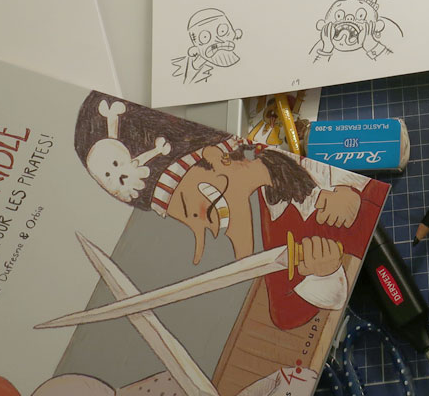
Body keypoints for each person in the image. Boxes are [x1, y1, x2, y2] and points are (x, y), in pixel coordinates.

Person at [72, 93, 389, 331]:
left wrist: (351, 190)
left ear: (214, 157)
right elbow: (285, 315)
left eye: (194, 210)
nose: (202, 233)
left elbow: (370, 164)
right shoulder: (273, 236)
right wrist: (321, 272)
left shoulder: (309, 170)